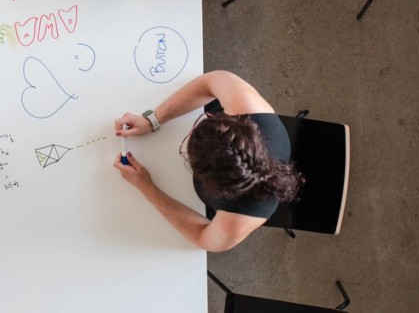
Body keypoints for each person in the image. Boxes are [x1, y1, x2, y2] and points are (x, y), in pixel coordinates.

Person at [112, 70, 303, 252]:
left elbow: (204, 237)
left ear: (211, 181)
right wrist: (152, 120)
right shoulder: (250, 108)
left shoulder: (241, 216)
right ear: (235, 122)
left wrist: (148, 188)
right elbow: (210, 81)